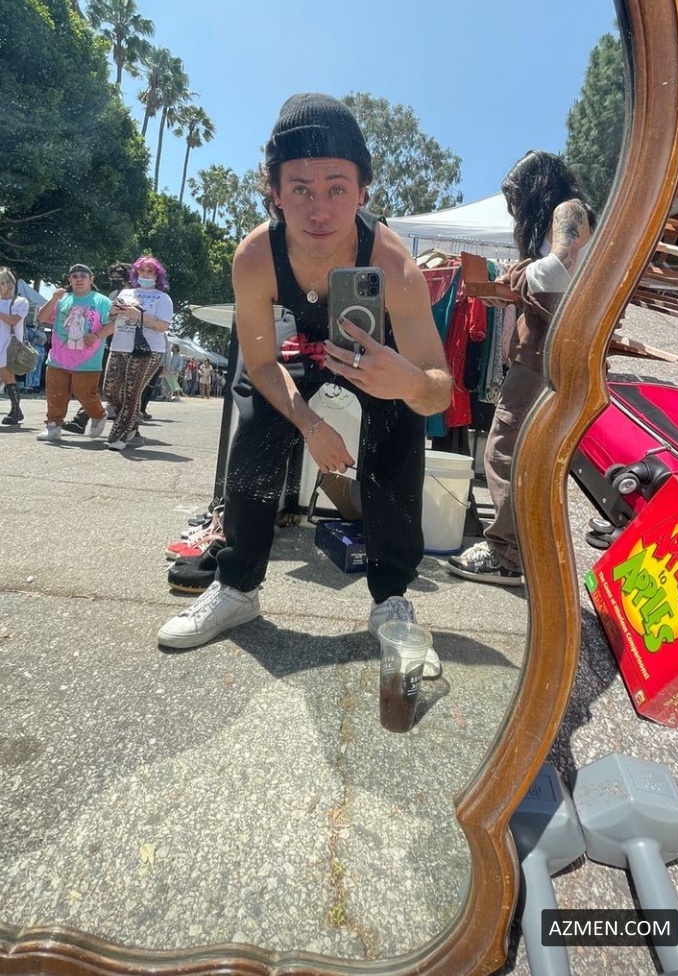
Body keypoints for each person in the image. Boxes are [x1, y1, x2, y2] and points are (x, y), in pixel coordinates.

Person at [158, 92, 452, 676]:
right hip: (297, 347)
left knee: (399, 420)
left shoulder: (394, 265)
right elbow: (262, 364)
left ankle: (392, 599)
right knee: (256, 412)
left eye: (337, 188)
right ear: (274, 192)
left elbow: (440, 390)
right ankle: (238, 584)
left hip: (371, 352)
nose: (319, 211)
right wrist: (312, 425)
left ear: (363, 192)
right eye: (300, 189)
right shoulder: (255, 258)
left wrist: (409, 382)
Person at [447, 150, 595, 586]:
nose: (514, 210)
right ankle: (522, 553)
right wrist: (512, 289)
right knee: (531, 458)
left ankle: (506, 555)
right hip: (555, 355)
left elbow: (558, 269)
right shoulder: (572, 214)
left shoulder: (569, 211)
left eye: (516, 199)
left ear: (535, 189)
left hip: (543, 359)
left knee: (504, 451)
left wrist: (518, 276)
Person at [36, 264, 113, 442]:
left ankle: (98, 415)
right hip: (58, 358)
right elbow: (42, 317)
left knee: (85, 394)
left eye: (83, 276)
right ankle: (53, 426)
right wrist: (54, 298)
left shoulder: (102, 301)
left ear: (91, 279)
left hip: (87, 359)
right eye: (75, 276)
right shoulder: (62, 300)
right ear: (69, 279)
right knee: (55, 394)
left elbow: (113, 324)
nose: (79, 279)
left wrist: (96, 335)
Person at [104, 255, 173, 450]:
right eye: (142, 270)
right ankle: (132, 422)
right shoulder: (126, 293)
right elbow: (111, 320)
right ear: (136, 272)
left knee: (131, 392)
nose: (146, 273)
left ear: (157, 275)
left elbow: (163, 326)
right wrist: (113, 311)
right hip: (119, 345)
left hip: (147, 349)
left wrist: (138, 315)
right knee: (110, 390)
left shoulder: (163, 298)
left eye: (150, 271)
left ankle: (119, 435)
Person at [62, 261, 131, 434]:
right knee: (101, 384)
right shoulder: (112, 295)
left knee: (124, 387)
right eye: (113, 277)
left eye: (119, 277)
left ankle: (130, 424)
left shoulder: (135, 295)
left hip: (131, 345)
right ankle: (82, 418)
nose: (115, 281)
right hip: (110, 343)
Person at [0, 268, 31, 426]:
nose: (4, 285)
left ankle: (16, 410)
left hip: (8, 345)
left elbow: (13, 320)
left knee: (7, 377)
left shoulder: (20, 301)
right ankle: (16, 410)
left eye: (6, 281)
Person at [23, 322, 48, 393]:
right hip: (35, 347)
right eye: (42, 324)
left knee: (38, 368)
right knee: (32, 367)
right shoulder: (35, 332)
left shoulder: (43, 333)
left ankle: (35, 384)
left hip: (41, 349)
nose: (43, 326)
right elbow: (30, 339)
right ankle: (29, 385)